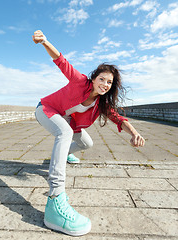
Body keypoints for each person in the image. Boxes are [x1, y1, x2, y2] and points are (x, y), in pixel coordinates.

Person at [33, 30, 145, 236]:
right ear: (94, 79)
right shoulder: (79, 81)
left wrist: (134, 132)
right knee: (64, 133)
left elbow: (119, 119)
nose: (105, 84)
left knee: (87, 143)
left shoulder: (102, 104)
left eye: (109, 83)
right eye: (102, 79)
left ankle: (62, 154)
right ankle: (56, 198)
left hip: (68, 121)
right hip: (46, 109)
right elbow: (61, 61)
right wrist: (45, 41)